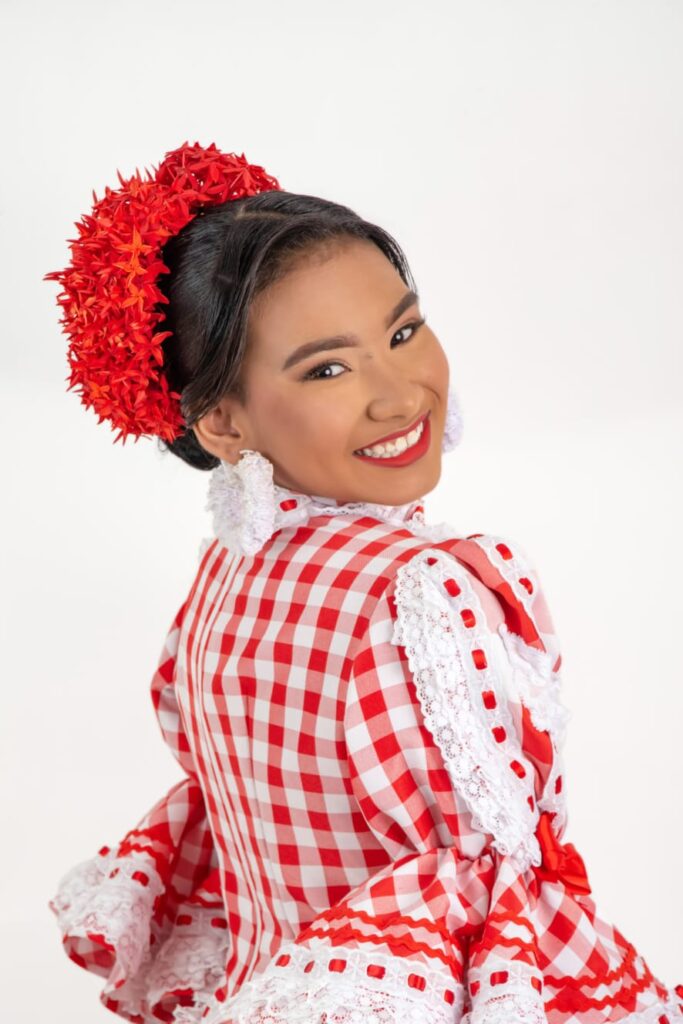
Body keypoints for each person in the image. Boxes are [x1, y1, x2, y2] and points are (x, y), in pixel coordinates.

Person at [45, 141, 682, 1024]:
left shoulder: (225, 578)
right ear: (221, 423)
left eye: (403, 332)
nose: (397, 394)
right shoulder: (421, 593)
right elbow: (494, 886)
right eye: (328, 369)